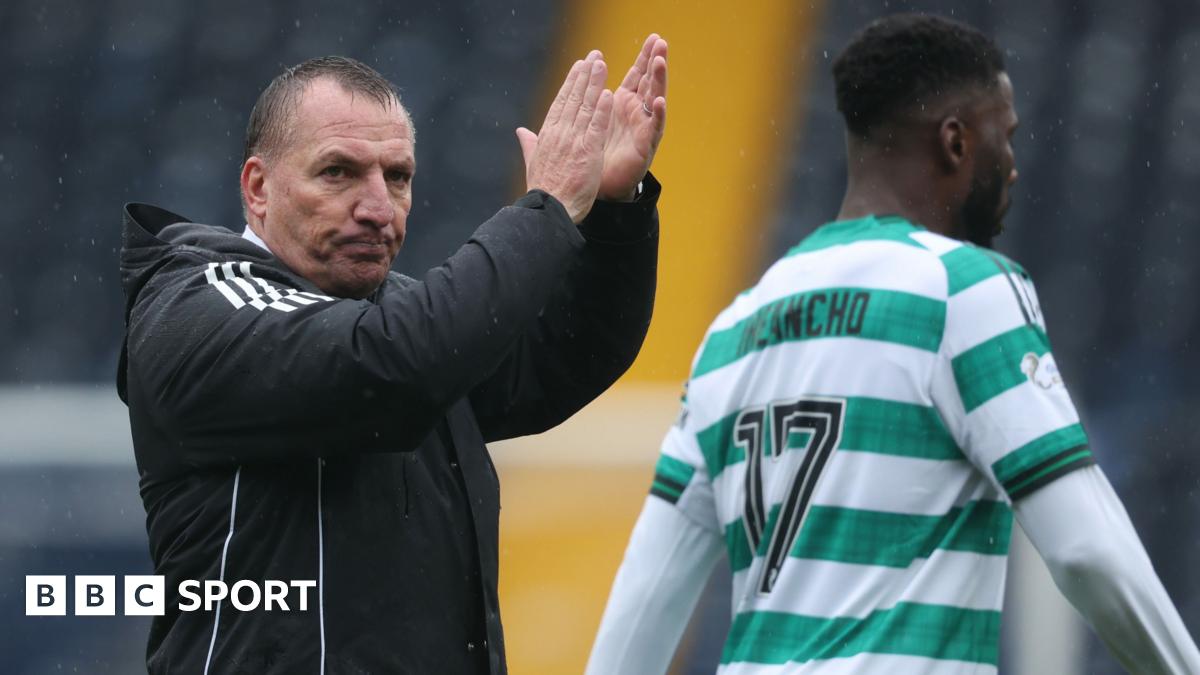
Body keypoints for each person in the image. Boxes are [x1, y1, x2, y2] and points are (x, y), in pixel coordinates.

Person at [587, 14, 1200, 675]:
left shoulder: (733, 329)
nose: (1015, 167)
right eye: (1007, 138)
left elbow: (639, 616)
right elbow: (1086, 550)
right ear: (956, 142)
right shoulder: (963, 292)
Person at [118, 34, 668, 675]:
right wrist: (545, 209)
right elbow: (393, 366)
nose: (378, 208)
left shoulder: (406, 323)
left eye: (397, 177)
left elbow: (564, 357)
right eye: (338, 172)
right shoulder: (196, 309)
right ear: (259, 187)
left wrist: (610, 211)